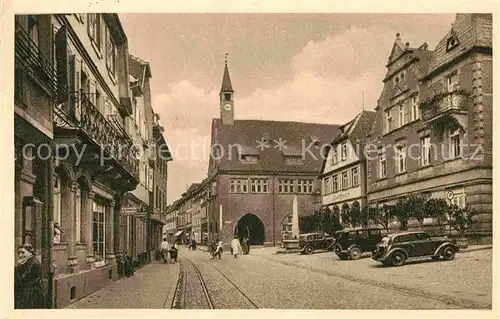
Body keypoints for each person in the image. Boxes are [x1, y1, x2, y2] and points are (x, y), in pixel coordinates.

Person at [15, 244, 44, 309]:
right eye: (19, 253)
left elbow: (21, 279)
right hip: (26, 292)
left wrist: (18, 267)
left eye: (23, 252)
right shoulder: (27, 262)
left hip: (30, 294)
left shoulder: (33, 263)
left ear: (30, 252)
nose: (20, 255)